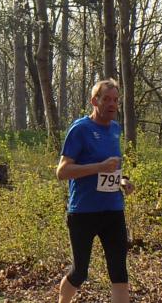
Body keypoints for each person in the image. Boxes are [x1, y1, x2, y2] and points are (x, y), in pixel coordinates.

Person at [55, 79, 135, 303]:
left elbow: (113, 169)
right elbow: (62, 172)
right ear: (94, 101)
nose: (112, 104)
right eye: (106, 99)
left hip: (113, 210)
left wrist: (123, 181)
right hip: (83, 211)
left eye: (115, 100)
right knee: (80, 272)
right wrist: (98, 167)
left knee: (119, 272)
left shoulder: (116, 129)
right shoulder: (80, 129)